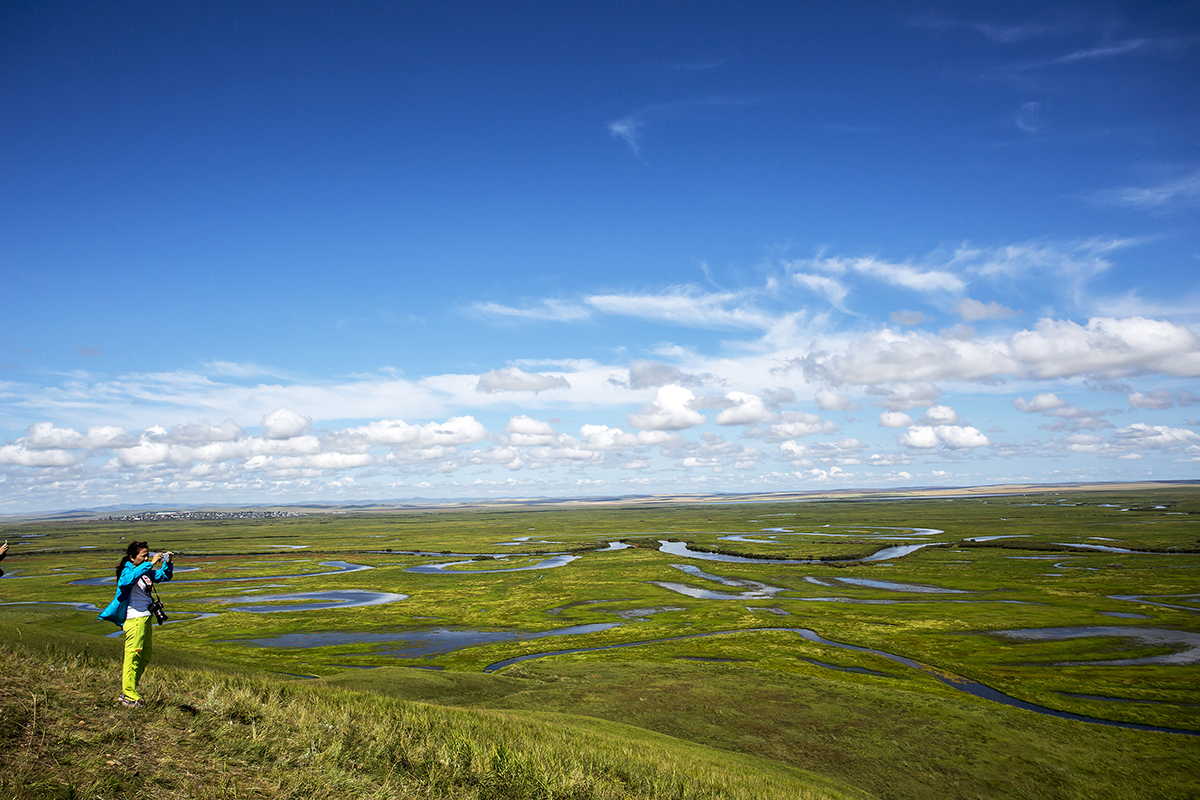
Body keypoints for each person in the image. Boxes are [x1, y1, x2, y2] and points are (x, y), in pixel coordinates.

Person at [98, 541, 174, 708]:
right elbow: (125, 582)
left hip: (146, 618)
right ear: (132, 557)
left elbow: (164, 576)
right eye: (143, 555)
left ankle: (130, 689)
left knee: (145, 655)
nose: (147, 557)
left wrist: (168, 563)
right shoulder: (128, 571)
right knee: (133, 656)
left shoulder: (146, 571)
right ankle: (129, 694)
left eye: (148, 554)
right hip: (134, 619)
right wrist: (150, 563)